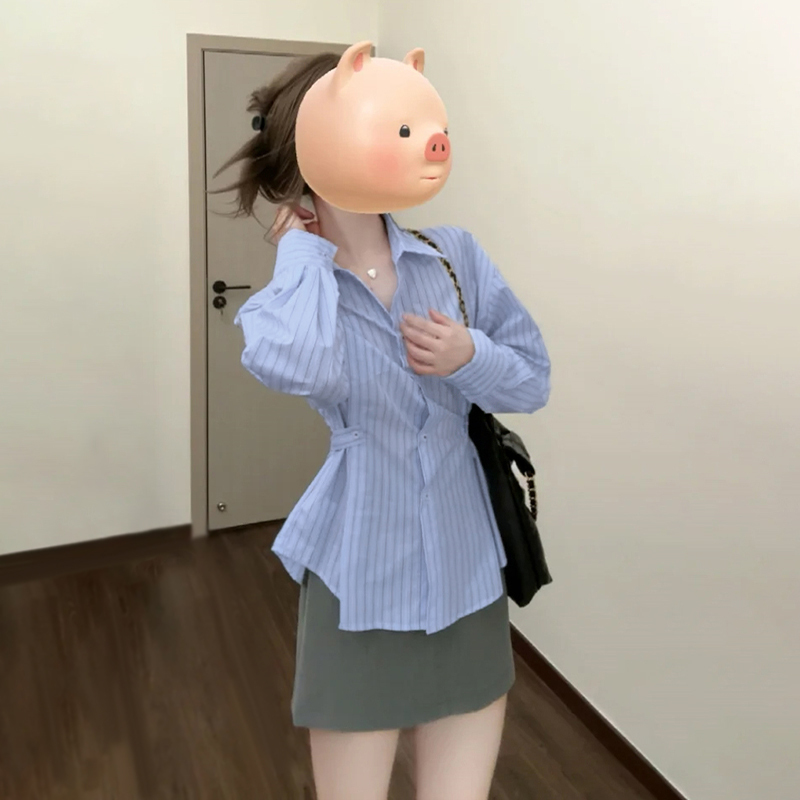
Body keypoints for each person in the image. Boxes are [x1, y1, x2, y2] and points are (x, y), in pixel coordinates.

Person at [216, 50, 551, 800]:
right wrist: (301, 248)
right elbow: (302, 364)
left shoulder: (454, 256)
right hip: (359, 582)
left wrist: (470, 356)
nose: (429, 141)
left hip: (468, 574)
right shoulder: (296, 292)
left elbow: (534, 379)